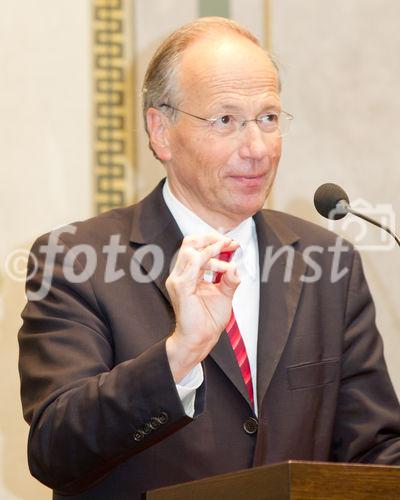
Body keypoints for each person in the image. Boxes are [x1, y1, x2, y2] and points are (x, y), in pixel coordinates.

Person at [18, 16, 400, 499]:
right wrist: (179, 356)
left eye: (267, 118)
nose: (257, 148)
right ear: (161, 131)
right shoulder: (77, 261)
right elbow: (55, 449)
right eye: (225, 120)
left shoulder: (329, 263)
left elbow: (375, 452)